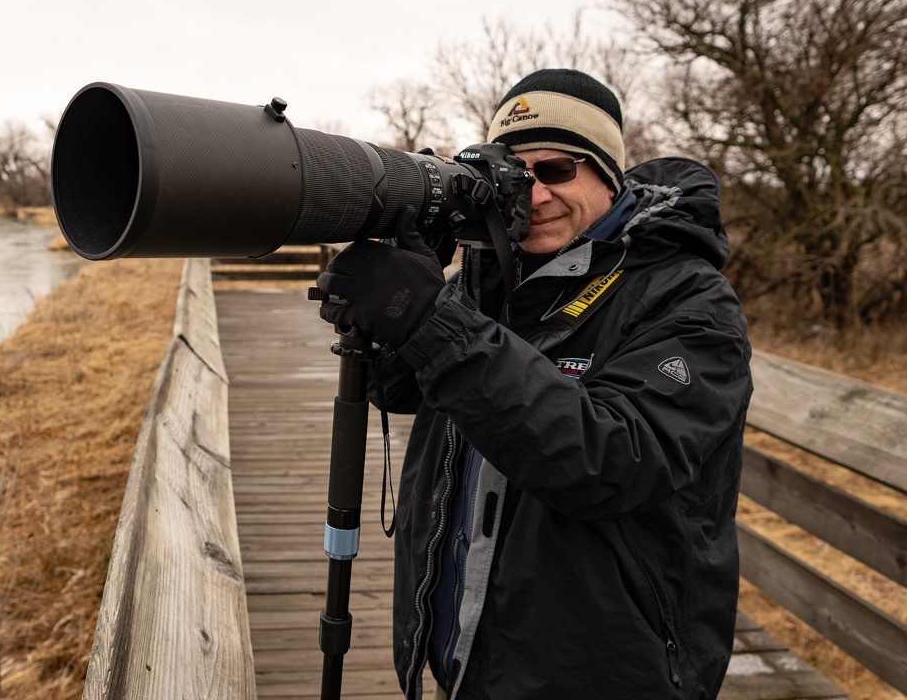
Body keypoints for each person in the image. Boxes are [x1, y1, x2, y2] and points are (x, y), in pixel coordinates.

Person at [316, 68, 753, 700]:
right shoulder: (494, 276)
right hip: (466, 654)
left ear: (609, 175)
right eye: (516, 177)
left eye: (557, 170)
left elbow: (613, 458)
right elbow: (401, 390)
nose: (536, 196)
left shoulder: (688, 298)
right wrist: (392, 310)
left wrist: (431, 320)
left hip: (601, 671)